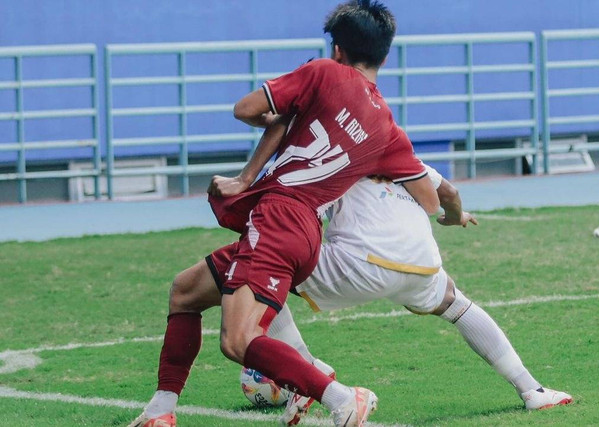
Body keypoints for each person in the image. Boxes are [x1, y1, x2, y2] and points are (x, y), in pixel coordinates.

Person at [129, 1, 441, 426]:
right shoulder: (387, 128)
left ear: (336, 50)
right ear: (385, 56)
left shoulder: (325, 73)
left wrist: (256, 160)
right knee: (186, 290)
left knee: (239, 340)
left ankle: (341, 396)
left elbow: (245, 109)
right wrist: (450, 213)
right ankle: (160, 412)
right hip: (307, 229)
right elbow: (431, 197)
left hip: (279, 218)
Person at [266, 169, 573, 426]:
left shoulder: (333, 157)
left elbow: (306, 222)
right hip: (420, 264)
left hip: (360, 263)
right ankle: (532, 389)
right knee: (456, 304)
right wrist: (457, 216)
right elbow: (448, 194)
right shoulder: (398, 149)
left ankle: (306, 370)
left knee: (259, 272)